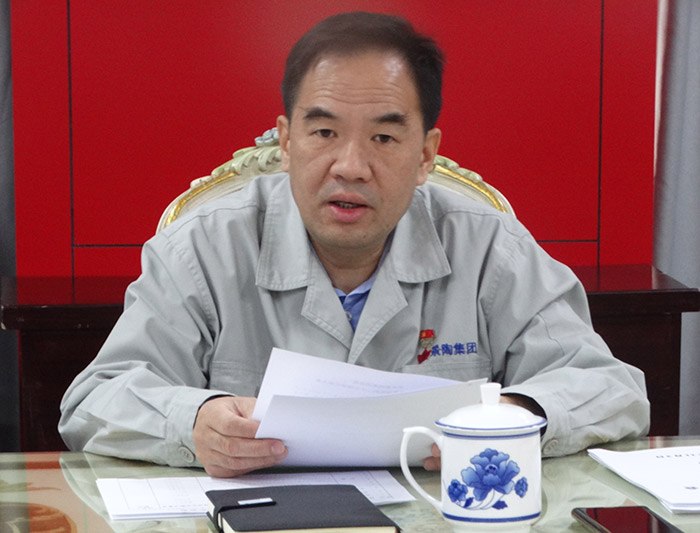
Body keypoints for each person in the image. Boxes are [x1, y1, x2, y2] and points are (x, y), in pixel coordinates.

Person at [59, 12, 649, 478]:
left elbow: (612, 388)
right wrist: (193, 422)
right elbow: (94, 400)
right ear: (286, 142)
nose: (350, 166)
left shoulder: (489, 245)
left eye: (384, 138)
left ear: (425, 154)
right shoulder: (202, 248)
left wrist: (518, 416)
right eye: (324, 132)